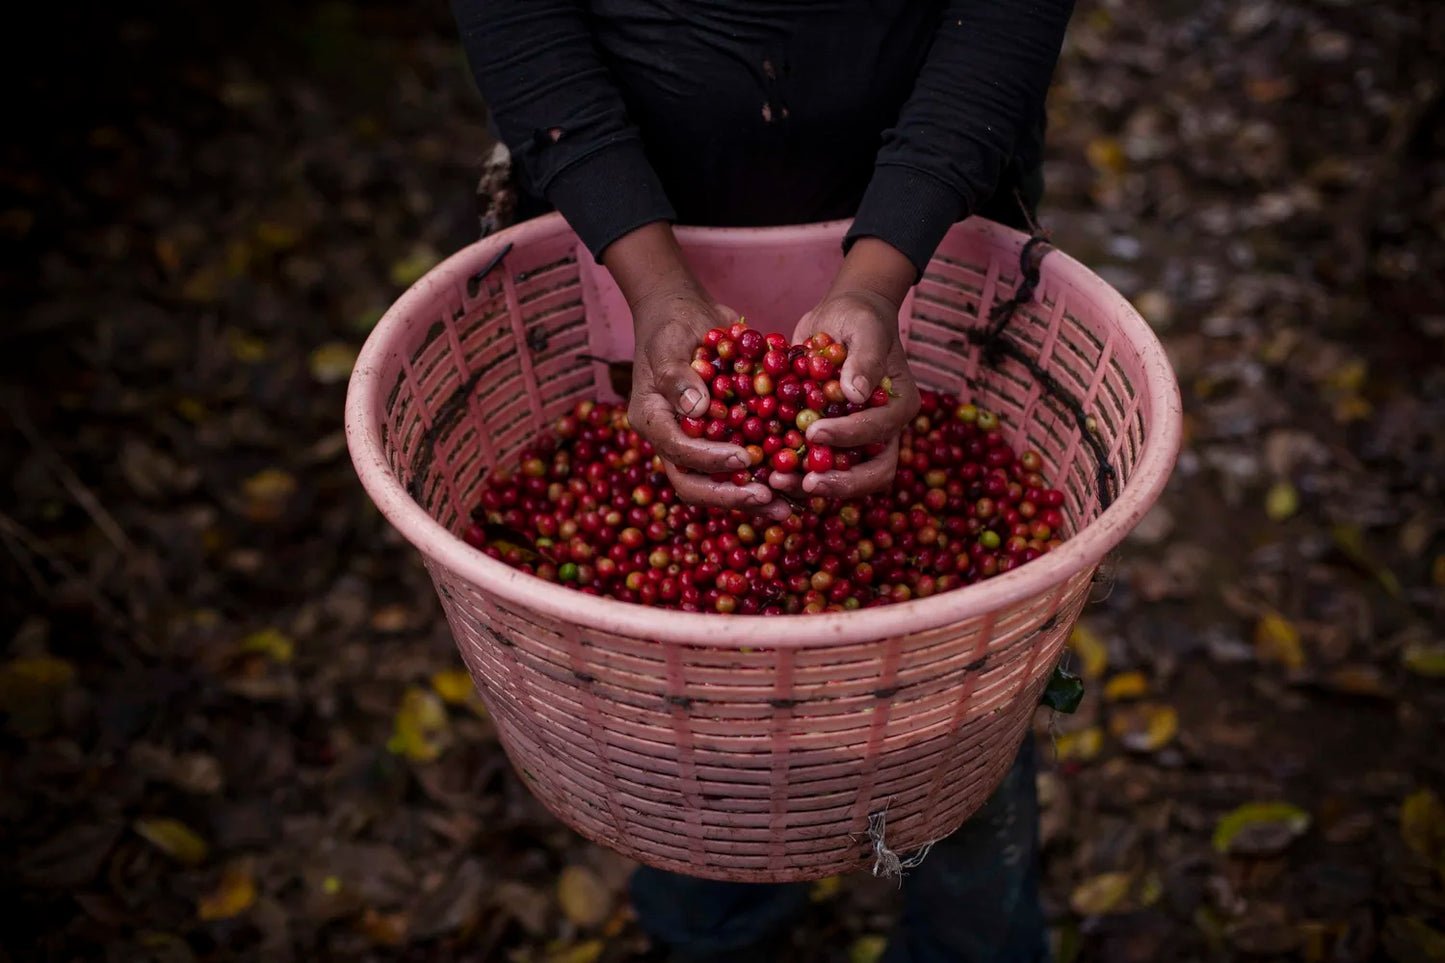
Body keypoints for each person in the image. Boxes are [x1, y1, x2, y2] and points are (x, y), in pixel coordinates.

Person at [450, 3, 1074, 960]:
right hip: (630, 207)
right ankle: (715, 924)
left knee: (957, 706)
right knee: (689, 717)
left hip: (933, 209)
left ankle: (961, 932)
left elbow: (1002, 19)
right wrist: (656, 287)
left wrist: (876, 281)